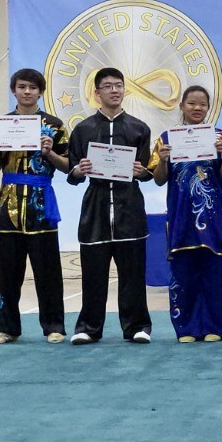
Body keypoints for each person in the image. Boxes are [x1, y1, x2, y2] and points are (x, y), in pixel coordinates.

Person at [65, 67, 158, 344]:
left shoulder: (139, 128)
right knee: (93, 273)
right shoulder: (83, 129)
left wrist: (142, 172)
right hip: (95, 208)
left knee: (133, 274)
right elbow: (72, 173)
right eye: (107, 86)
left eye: (119, 85)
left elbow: (147, 172)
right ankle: (88, 328)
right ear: (97, 92)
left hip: (130, 206)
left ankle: (137, 327)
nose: (114, 90)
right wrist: (79, 170)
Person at [0, 68, 68, 345]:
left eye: (32, 87)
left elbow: (69, 166)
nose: (27, 91)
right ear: (14, 91)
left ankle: (54, 326)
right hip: (8, 207)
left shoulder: (54, 126)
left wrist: (49, 152)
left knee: (48, 272)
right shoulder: (2, 124)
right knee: (8, 273)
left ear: (41, 91)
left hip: (40, 206)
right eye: (22, 87)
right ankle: (7, 328)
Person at [152, 85, 222, 343]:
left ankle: (215, 327)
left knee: (215, 275)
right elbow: (158, 179)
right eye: (192, 103)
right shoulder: (166, 138)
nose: (197, 108)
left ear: (209, 108)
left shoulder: (219, 136)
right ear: (181, 106)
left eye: (203, 104)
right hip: (181, 218)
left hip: (212, 217)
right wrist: (163, 160)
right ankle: (185, 328)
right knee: (183, 274)